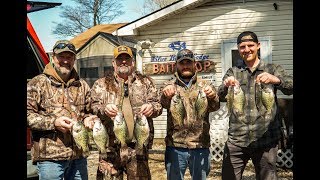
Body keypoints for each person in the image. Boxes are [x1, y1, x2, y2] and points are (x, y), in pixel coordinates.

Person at [217, 31, 293, 180]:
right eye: (242, 47)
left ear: (258, 46)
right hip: (237, 140)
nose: (247, 50)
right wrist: (225, 86)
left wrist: (276, 80)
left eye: (250, 45)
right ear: (238, 49)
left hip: (266, 139)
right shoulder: (233, 71)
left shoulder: (273, 69)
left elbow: (290, 87)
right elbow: (220, 95)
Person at [27, 40, 98, 180]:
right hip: (50, 159)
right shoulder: (37, 83)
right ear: (53, 58)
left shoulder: (82, 85)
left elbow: (89, 112)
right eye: (61, 57)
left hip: (78, 156)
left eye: (69, 57)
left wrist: (90, 118)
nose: (65, 61)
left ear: (74, 59)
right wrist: (54, 123)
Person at [89, 45, 162, 180]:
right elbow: (92, 106)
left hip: (137, 148)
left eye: (127, 59)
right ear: (113, 63)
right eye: (119, 59)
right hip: (110, 148)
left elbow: (158, 105)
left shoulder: (146, 82)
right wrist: (103, 108)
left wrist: (152, 107)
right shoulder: (101, 84)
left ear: (133, 62)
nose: (123, 62)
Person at [161, 48, 220, 180]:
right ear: (177, 65)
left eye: (189, 62)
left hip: (200, 145)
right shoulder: (169, 85)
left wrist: (212, 95)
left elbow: (215, 106)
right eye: (182, 63)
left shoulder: (205, 85)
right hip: (175, 146)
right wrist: (166, 95)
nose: (186, 66)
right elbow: (161, 105)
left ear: (195, 64)